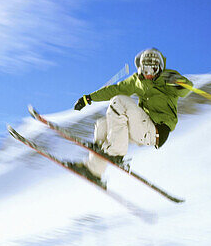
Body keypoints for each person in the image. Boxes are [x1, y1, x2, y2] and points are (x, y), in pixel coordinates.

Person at [68, 48, 193, 182]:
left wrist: (178, 82)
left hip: (156, 130)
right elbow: (116, 89)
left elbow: (187, 89)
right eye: (146, 70)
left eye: (153, 70)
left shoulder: (166, 79)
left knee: (119, 101)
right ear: (141, 69)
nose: (149, 74)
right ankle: (94, 170)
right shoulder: (137, 80)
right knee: (103, 125)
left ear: (160, 68)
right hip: (140, 127)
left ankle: (116, 152)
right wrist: (89, 98)